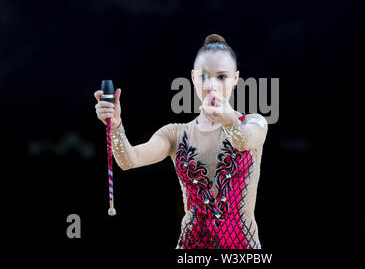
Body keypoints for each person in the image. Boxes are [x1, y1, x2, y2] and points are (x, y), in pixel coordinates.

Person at [94, 34, 268, 249]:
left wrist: (230, 119)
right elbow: (129, 160)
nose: (211, 85)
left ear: (235, 79)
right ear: (193, 78)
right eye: (204, 76)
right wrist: (117, 126)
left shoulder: (253, 122)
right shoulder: (175, 134)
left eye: (221, 77)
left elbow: (243, 141)